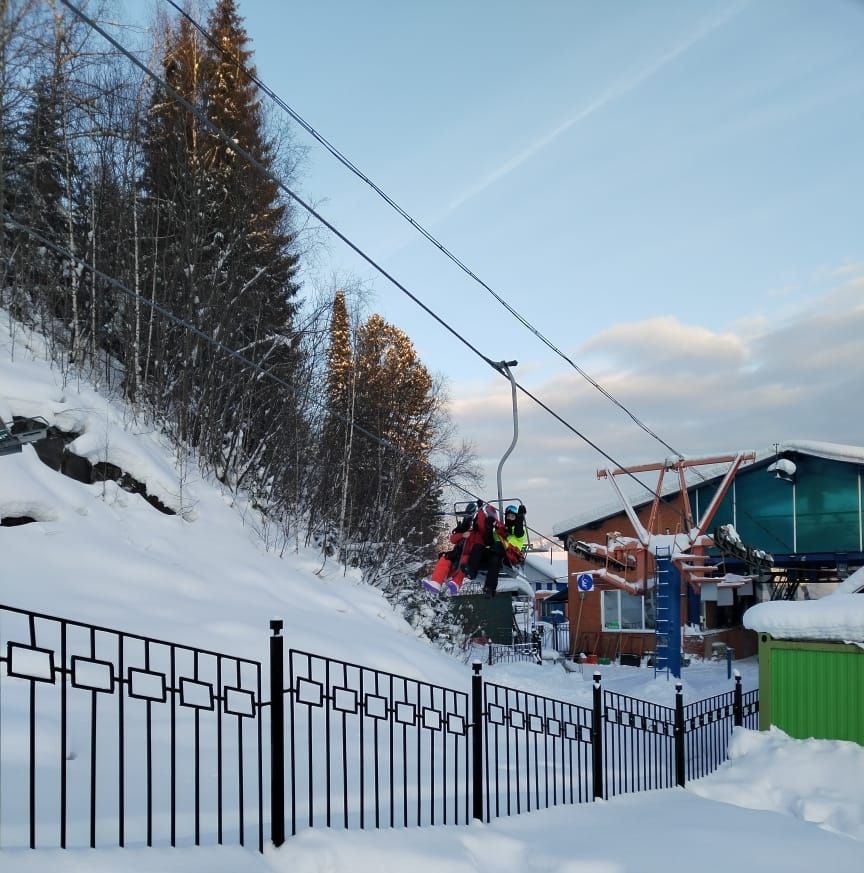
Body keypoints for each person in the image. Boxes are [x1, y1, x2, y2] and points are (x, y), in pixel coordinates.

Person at [467, 503, 528, 597]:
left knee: (498, 550)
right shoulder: (500, 530)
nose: (510, 518)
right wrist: (489, 526)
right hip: (495, 553)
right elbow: (489, 541)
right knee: (478, 546)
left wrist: (520, 517)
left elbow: (518, 531)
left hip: (510, 557)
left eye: (513, 516)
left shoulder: (519, 533)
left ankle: (490, 588)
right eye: (508, 516)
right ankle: (472, 571)